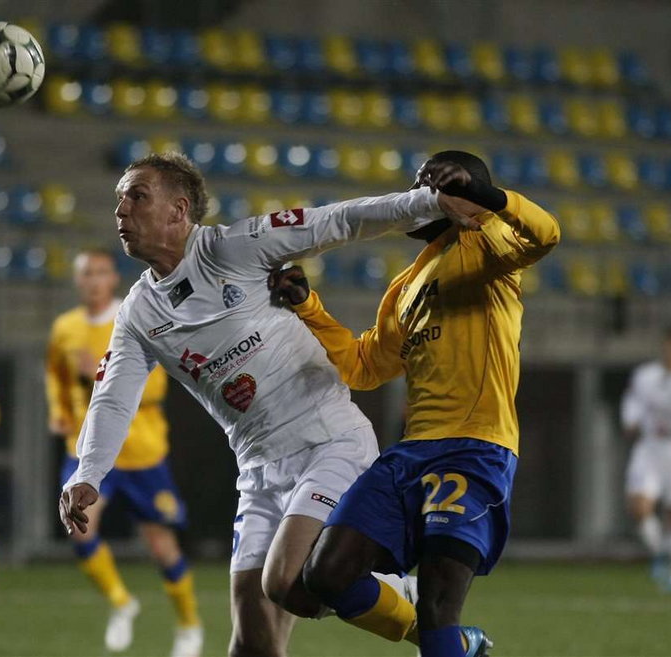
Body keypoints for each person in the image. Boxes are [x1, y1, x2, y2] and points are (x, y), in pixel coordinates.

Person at [59, 152, 480, 657]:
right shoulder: (138, 313)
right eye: (119, 199)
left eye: (137, 196)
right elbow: (113, 395)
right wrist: (88, 472)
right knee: (253, 643)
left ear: (179, 210)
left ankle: (427, 621)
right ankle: (427, 623)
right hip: (257, 467)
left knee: (285, 581)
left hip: (327, 440)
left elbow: (338, 220)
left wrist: (428, 202)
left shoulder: (233, 248)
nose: (121, 210)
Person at [269, 152, 560, 657]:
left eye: (434, 183)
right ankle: (460, 646)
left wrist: (484, 199)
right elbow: (366, 365)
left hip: (473, 449)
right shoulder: (405, 287)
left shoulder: (486, 245)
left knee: (437, 603)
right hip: (408, 456)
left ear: (463, 197)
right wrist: (307, 308)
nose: (419, 192)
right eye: (418, 183)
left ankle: (446, 638)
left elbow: (546, 234)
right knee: (325, 576)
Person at [46, 248, 202, 655]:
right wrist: (60, 413)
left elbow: (154, 386)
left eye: (100, 272)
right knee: (80, 529)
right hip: (87, 450)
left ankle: (188, 625)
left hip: (140, 451)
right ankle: (121, 603)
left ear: (113, 278)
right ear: (78, 281)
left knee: (161, 547)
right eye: (86, 274)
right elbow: (56, 379)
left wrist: (96, 372)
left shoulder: (135, 316)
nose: (94, 281)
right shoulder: (65, 327)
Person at [622, 326, 671, 592]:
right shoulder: (646, 376)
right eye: (667, 346)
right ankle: (661, 552)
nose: (670, 351)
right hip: (650, 447)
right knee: (639, 506)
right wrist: (630, 421)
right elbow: (632, 404)